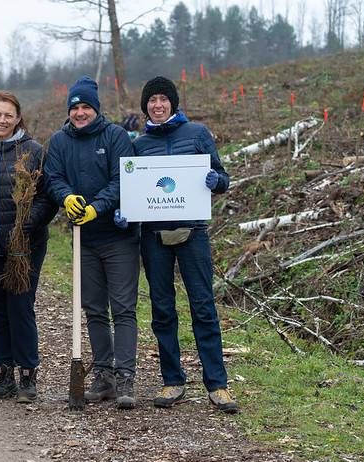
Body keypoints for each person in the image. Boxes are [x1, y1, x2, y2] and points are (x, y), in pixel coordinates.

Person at [132, 76, 238, 414]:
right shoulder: (139, 145)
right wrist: (126, 211)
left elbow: (223, 178)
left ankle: (217, 385)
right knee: (163, 310)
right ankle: (172, 380)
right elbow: (131, 188)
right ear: (145, 106)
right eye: (152, 100)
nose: (158, 105)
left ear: (173, 103)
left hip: (193, 234)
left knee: (203, 307)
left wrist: (215, 180)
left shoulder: (197, 134)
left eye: (164, 99)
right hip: (153, 238)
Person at [44, 76, 139, 409]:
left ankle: (126, 377)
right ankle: (104, 377)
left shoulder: (115, 137)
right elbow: (52, 177)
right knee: (95, 310)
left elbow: (122, 180)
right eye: (75, 107)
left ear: (96, 109)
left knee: (123, 309)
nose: (80, 113)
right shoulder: (58, 141)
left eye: (86, 107)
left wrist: (97, 207)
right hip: (83, 241)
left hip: (118, 238)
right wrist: (66, 196)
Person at [0, 90, 57, 404]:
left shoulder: (32, 151)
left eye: (8, 115)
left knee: (20, 307)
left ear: (18, 118)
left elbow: (48, 197)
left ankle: (28, 374)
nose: (2, 120)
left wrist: (29, 223)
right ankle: (3, 374)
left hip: (25, 246)